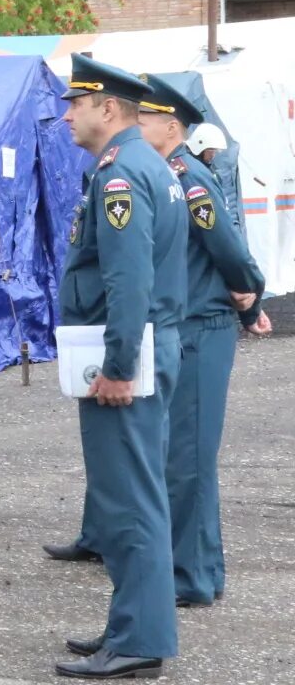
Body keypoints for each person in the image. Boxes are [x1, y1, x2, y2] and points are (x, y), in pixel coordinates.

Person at [54, 55, 186, 681]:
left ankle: (139, 637)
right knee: (132, 497)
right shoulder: (146, 166)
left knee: (129, 500)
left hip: (128, 363)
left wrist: (117, 365)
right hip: (151, 351)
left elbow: (129, 281)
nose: (68, 114)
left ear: (108, 108)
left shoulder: (119, 176)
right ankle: (129, 622)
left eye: (76, 103)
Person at [140, 75, 271, 610]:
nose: (135, 125)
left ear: (172, 126)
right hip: (187, 324)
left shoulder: (189, 178)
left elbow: (230, 249)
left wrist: (251, 298)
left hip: (201, 326)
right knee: (183, 455)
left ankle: (191, 575)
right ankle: (202, 568)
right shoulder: (164, 174)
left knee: (188, 458)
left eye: (144, 118)